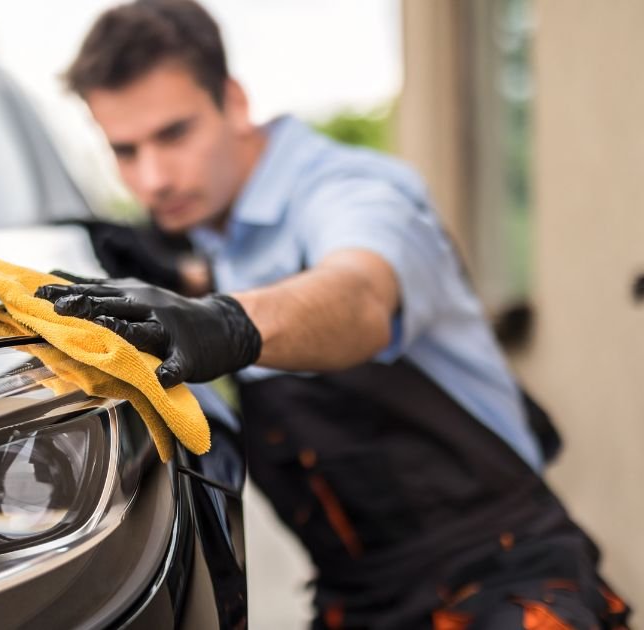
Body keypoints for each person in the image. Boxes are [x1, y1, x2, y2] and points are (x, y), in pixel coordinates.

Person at [35, 1, 631, 627]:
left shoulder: (352, 191)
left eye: (174, 134)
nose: (153, 179)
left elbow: (361, 294)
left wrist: (229, 322)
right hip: (359, 603)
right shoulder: (220, 238)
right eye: (126, 151)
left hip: (503, 580)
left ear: (234, 101)